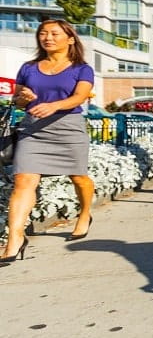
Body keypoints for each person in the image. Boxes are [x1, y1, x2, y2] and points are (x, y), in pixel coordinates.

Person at [2, 19, 95, 264]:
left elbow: (79, 97)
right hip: (33, 129)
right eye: (43, 33)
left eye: (54, 33)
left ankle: (85, 213)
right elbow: (18, 101)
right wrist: (24, 98)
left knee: (78, 178)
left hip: (68, 129)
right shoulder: (28, 67)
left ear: (70, 39)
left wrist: (53, 105)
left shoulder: (81, 68)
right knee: (23, 180)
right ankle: (15, 240)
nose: (47, 37)